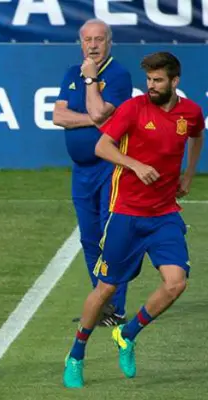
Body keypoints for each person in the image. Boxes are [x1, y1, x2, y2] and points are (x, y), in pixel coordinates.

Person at [63, 52, 204, 388]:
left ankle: (127, 333)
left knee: (176, 283)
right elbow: (102, 147)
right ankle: (76, 354)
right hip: (126, 213)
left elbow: (197, 135)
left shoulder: (190, 112)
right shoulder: (134, 109)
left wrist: (189, 174)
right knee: (107, 289)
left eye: (157, 81)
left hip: (165, 214)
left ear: (175, 82)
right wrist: (134, 165)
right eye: (149, 80)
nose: (151, 87)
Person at [53, 18, 133, 326]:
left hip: (110, 168)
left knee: (111, 238)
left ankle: (117, 307)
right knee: (89, 238)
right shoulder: (71, 73)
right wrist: (92, 117)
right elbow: (58, 116)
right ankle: (101, 305)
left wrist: (90, 83)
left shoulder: (118, 75)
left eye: (100, 39)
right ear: (80, 43)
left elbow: (102, 112)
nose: (94, 45)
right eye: (88, 40)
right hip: (81, 170)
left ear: (109, 42)